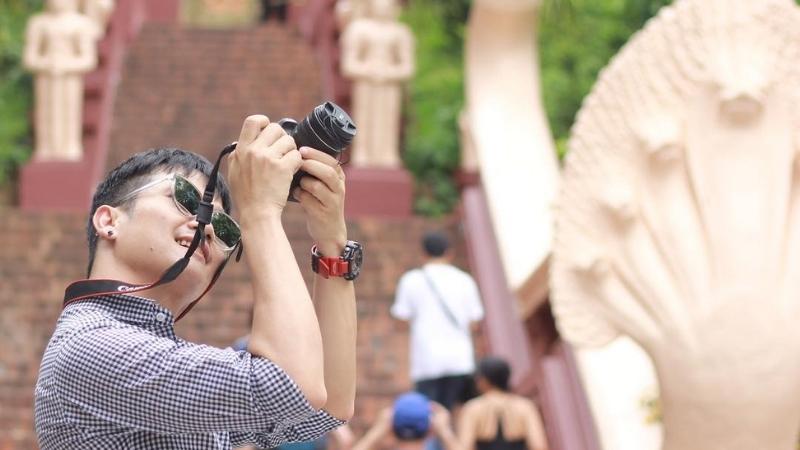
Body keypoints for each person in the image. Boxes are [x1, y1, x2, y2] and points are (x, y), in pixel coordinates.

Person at [34, 114, 359, 449]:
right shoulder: (90, 346)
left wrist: (333, 247)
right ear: (108, 220)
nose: (206, 226)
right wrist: (258, 213)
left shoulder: (156, 357)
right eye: (186, 198)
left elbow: (326, 407)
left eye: (224, 228)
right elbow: (291, 385)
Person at [391, 231, 484, 411]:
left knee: (429, 414)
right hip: (460, 358)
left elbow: (401, 320)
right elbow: (475, 322)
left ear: (423, 253)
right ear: (449, 252)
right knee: (460, 412)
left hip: (427, 359)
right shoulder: (465, 280)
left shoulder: (411, 280)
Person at [23, 0, 99, 161]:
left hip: (70, 77)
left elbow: (88, 59)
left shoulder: (81, 24)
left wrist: (65, 65)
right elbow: (29, 58)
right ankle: (45, 147)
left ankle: (70, 146)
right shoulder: (38, 23)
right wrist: (46, 63)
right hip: (46, 77)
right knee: (46, 112)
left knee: (69, 109)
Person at [457, 357, 548, 450]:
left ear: (484, 380)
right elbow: (539, 446)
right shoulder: (525, 406)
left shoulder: (472, 408)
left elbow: (464, 447)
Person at [351, 392, 459, 450]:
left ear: (390, 430)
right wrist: (445, 432)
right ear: (431, 431)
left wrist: (377, 431)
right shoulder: (437, 431)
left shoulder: (384, 430)